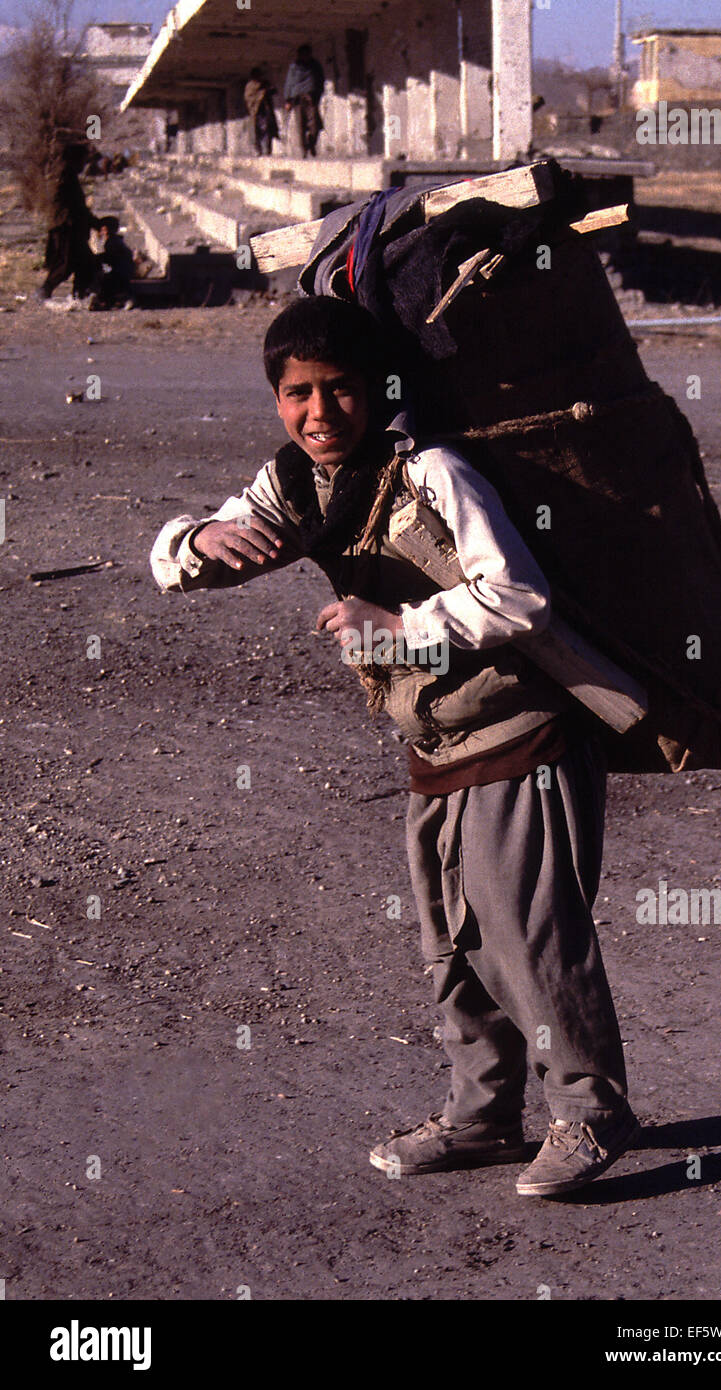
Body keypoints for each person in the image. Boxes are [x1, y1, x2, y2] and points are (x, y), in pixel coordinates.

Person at [149, 295, 639, 1198]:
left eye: (339, 389)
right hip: (434, 745)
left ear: (377, 389)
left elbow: (520, 598)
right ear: (276, 398)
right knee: (452, 943)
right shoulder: (297, 483)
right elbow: (180, 563)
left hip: (521, 734)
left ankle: (592, 1111)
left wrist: (400, 627)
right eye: (297, 393)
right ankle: (484, 1116)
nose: (319, 412)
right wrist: (197, 537)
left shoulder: (433, 472)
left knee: (526, 935)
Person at [38, 143, 102, 301]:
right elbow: (74, 206)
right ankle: (45, 290)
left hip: (71, 226)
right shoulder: (64, 176)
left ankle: (80, 293)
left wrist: (93, 223)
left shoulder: (66, 175)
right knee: (65, 263)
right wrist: (94, 223)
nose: (84, 164)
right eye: (83, 160)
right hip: (66, 227)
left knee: (85, 261)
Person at [283, 43, 325, 157]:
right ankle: (304, 149)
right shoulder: (294, 67)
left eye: (307, 54)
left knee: (315, 125)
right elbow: (289, 83)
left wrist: (318, 94)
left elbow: (321, 80)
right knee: (300, 125)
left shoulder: (315, 65)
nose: (305, 56)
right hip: (298, 99)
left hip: (311, 98)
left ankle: (311, 142)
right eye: (303, 54)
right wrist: (288, 100)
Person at [95, 217, 136, 308]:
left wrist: (96, 258)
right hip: (123, 270)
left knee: (103, 278)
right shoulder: (115, 240)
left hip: (121, 272)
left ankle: (107, 301)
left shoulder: (111, 242)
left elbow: (111, 257)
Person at [243, 67, 279, 156]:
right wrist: (261, 94)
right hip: (256, 113)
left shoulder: (265, 83)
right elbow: (249, 98)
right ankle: (258, 150)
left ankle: (267, 150)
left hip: (265, 112)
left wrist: (269, 89)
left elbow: (274, 91)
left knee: (267, 130)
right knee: (256, 132)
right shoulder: (250, 86)